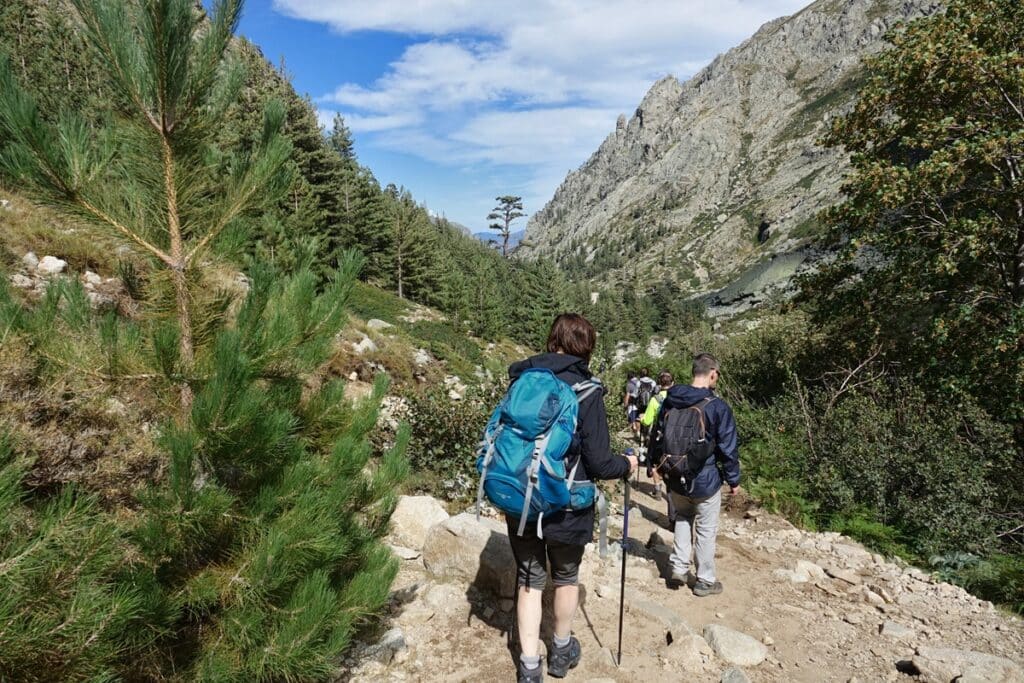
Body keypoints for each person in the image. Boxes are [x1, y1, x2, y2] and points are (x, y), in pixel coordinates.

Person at [506, 314, 638, 682]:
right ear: (587, 347)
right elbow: (598, 462)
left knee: (529, 578)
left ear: (553, 341)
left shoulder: (522, 379)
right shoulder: (587, 389)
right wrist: (626, 464)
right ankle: (561, 653)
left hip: (522, 498)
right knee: (566, 577)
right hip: (567, 501)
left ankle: (529, 666)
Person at [651, 353, 740, 597]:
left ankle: (678, 567)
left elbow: (657, 435)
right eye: (717, 375)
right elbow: (727, 447)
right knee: (705, 529)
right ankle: (705, 580)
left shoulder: (670, 401)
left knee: (682, 517)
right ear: (712, 373)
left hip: (674, 475)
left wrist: (653, 464)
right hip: (704, 478)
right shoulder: (716, 406)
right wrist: (733, 480)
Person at [641, 370, 675, 523]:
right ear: (673, 383)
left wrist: (641, 419)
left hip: (659, 438)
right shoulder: (679, 399)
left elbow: (647, 421)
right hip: (675, 440)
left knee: (655, 463)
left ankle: (657, 489)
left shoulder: (655, 400)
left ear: (659, 384)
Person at [623, 371, 640, 435]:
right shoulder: (640, 382)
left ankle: (635, 429)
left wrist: (625, 404)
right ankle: (639, 432)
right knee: (638, 418)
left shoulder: (629, 384)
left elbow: (627, 396)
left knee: (632, 416)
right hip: (641, 403)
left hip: (633, 403)